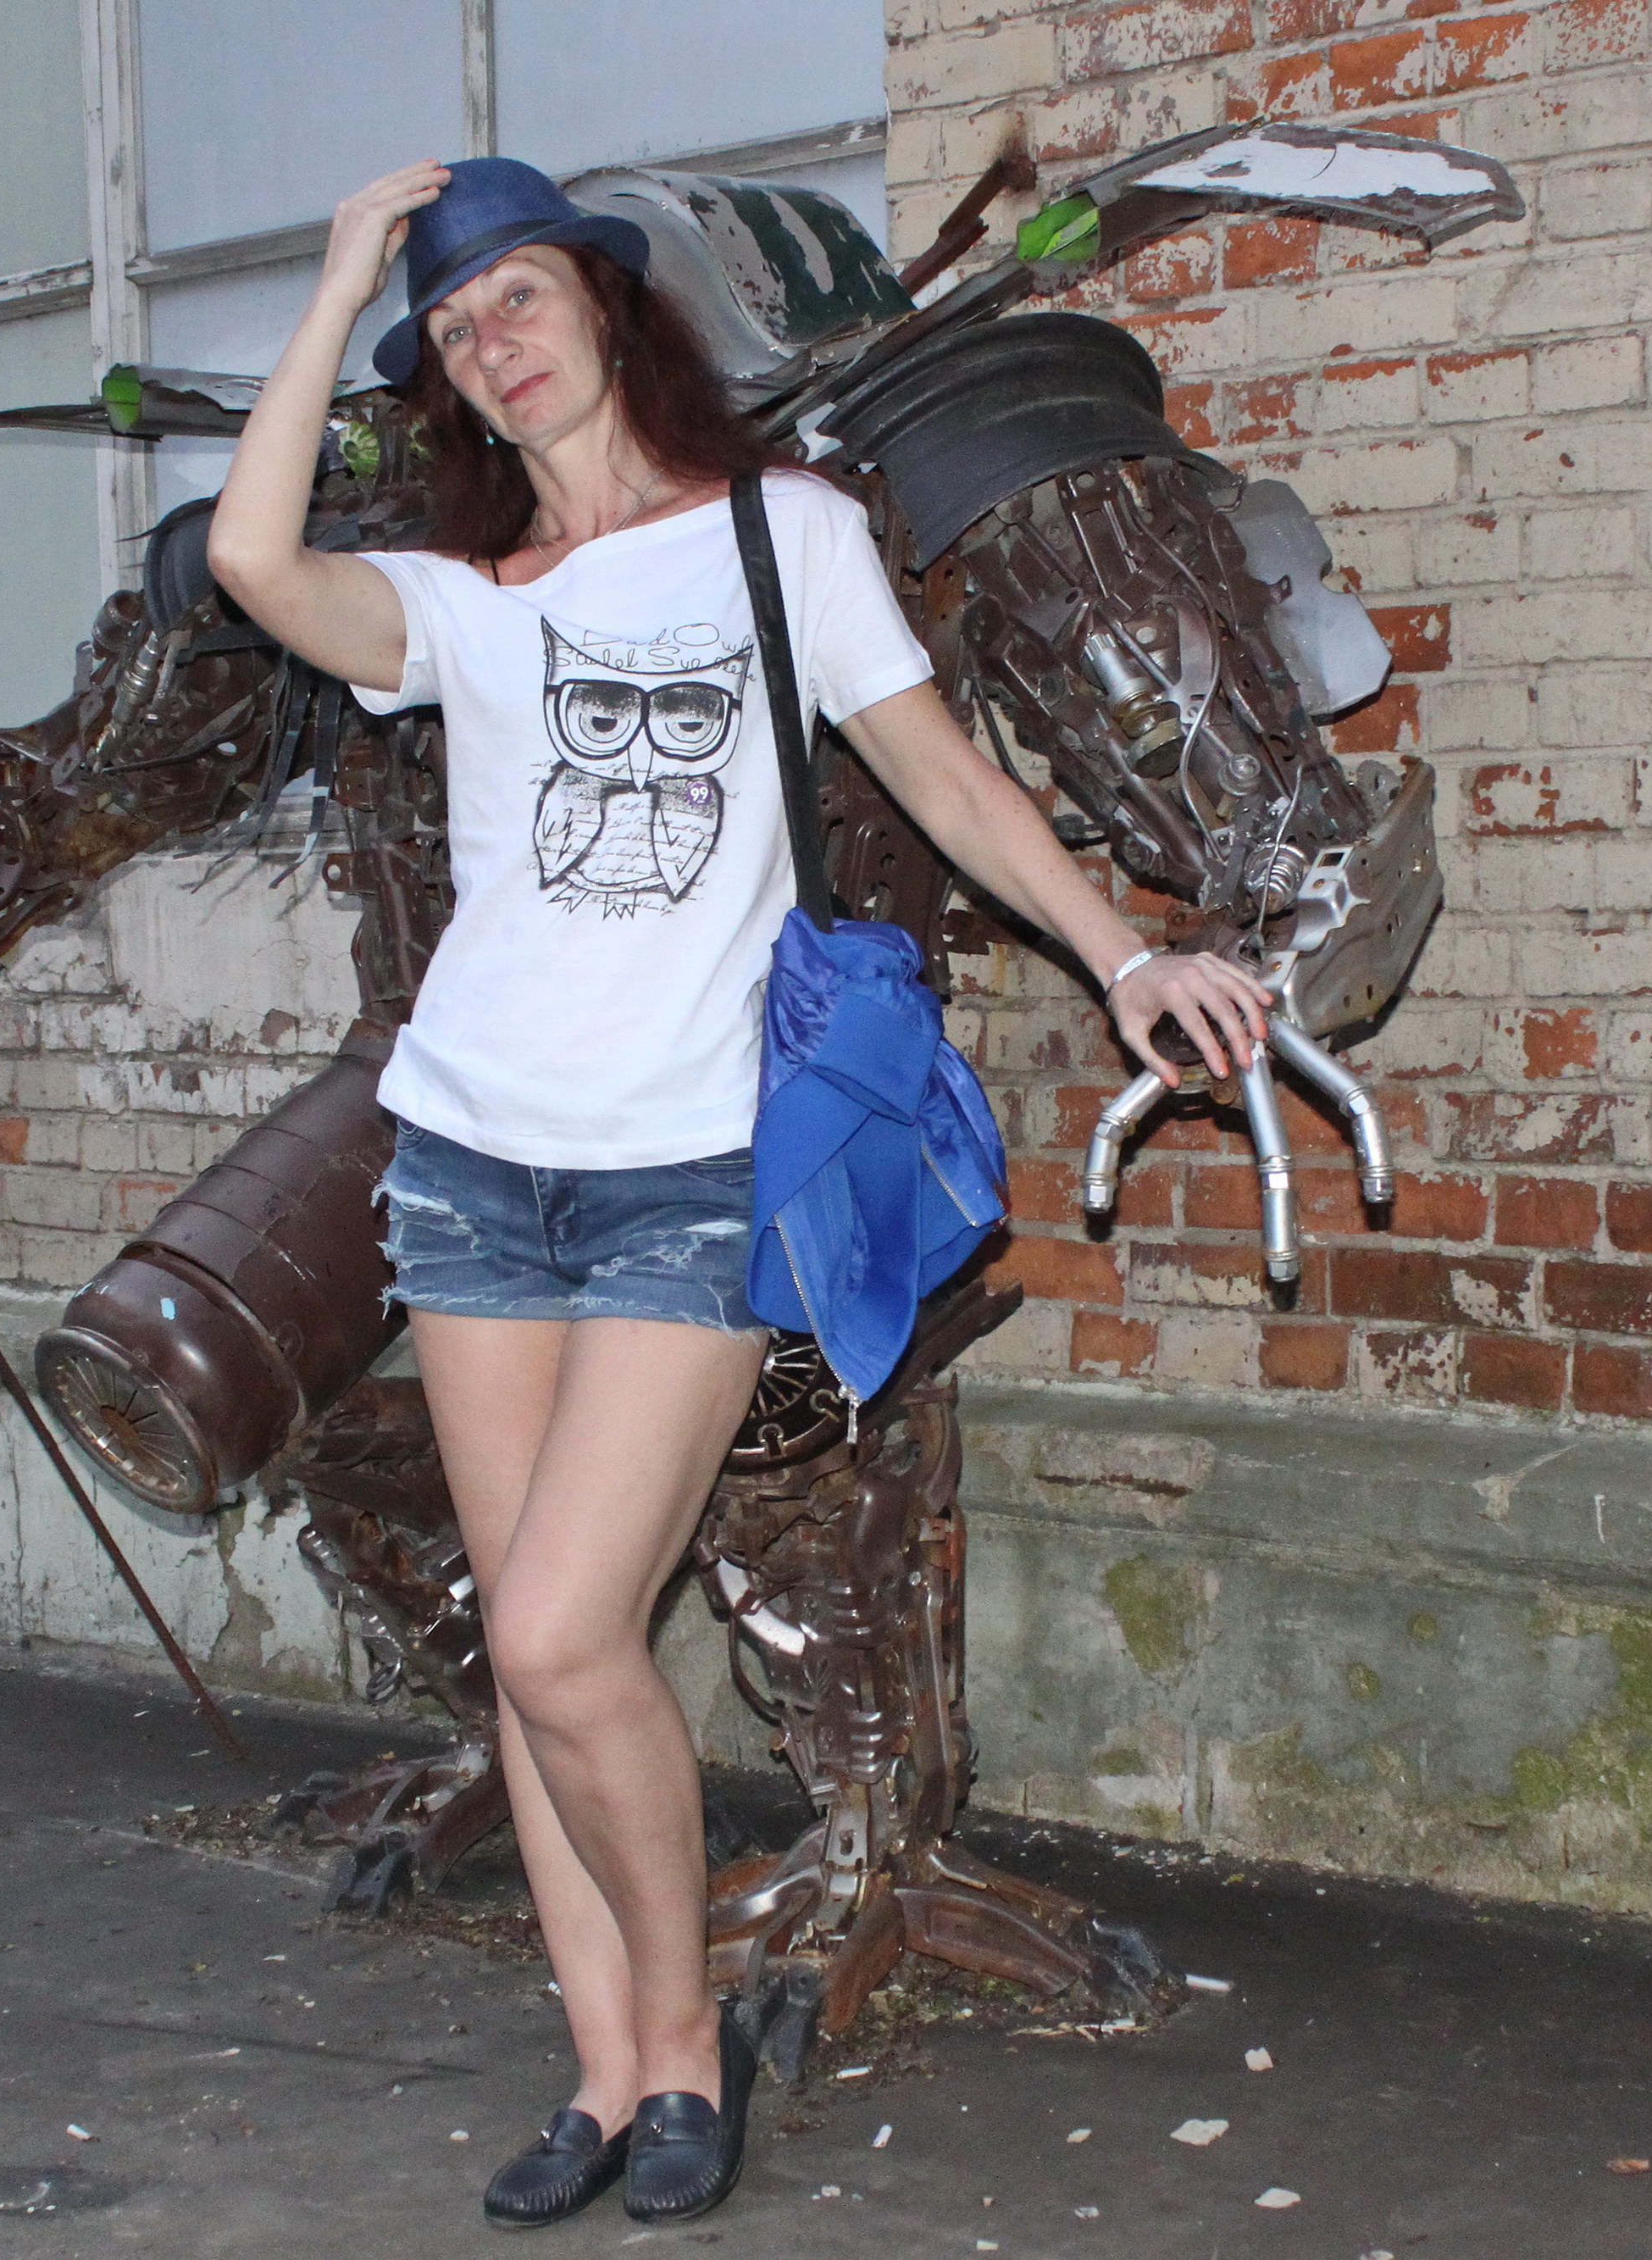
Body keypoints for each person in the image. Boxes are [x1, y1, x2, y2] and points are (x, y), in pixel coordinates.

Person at [205, 156, 1268, 2229]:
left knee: (558, 1628)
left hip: (684, 1168)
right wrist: (335, 280)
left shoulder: (784, 535)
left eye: (516, 296)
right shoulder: (465, 598)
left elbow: (941, 774)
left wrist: (1123, 954)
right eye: (453, 331)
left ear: (606, 306)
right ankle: (602, 2069)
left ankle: (684, 2039)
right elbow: (255, 555)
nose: (490, 344)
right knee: (534, 1664)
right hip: (470, 1159)